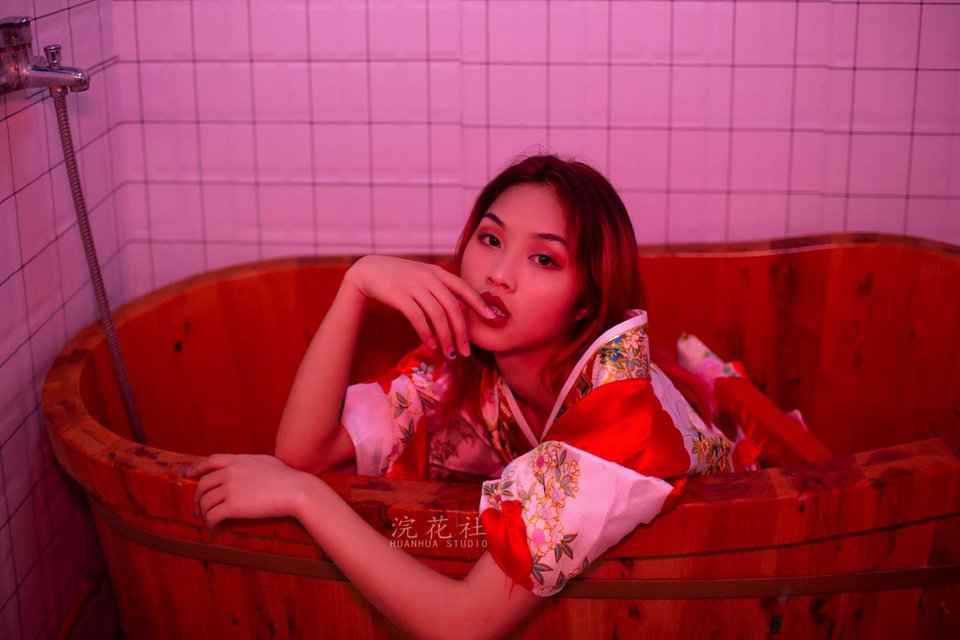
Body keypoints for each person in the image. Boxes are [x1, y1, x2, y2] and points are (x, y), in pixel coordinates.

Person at [189, 154, 735, 639]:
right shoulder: (466, 366)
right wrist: (357, 283)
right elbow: (303, 452)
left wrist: (304, 498)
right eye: (491, 239)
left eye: (544, 259)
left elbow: (461, 625)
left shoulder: (619, 419)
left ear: (586, 304)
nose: (498, 276)